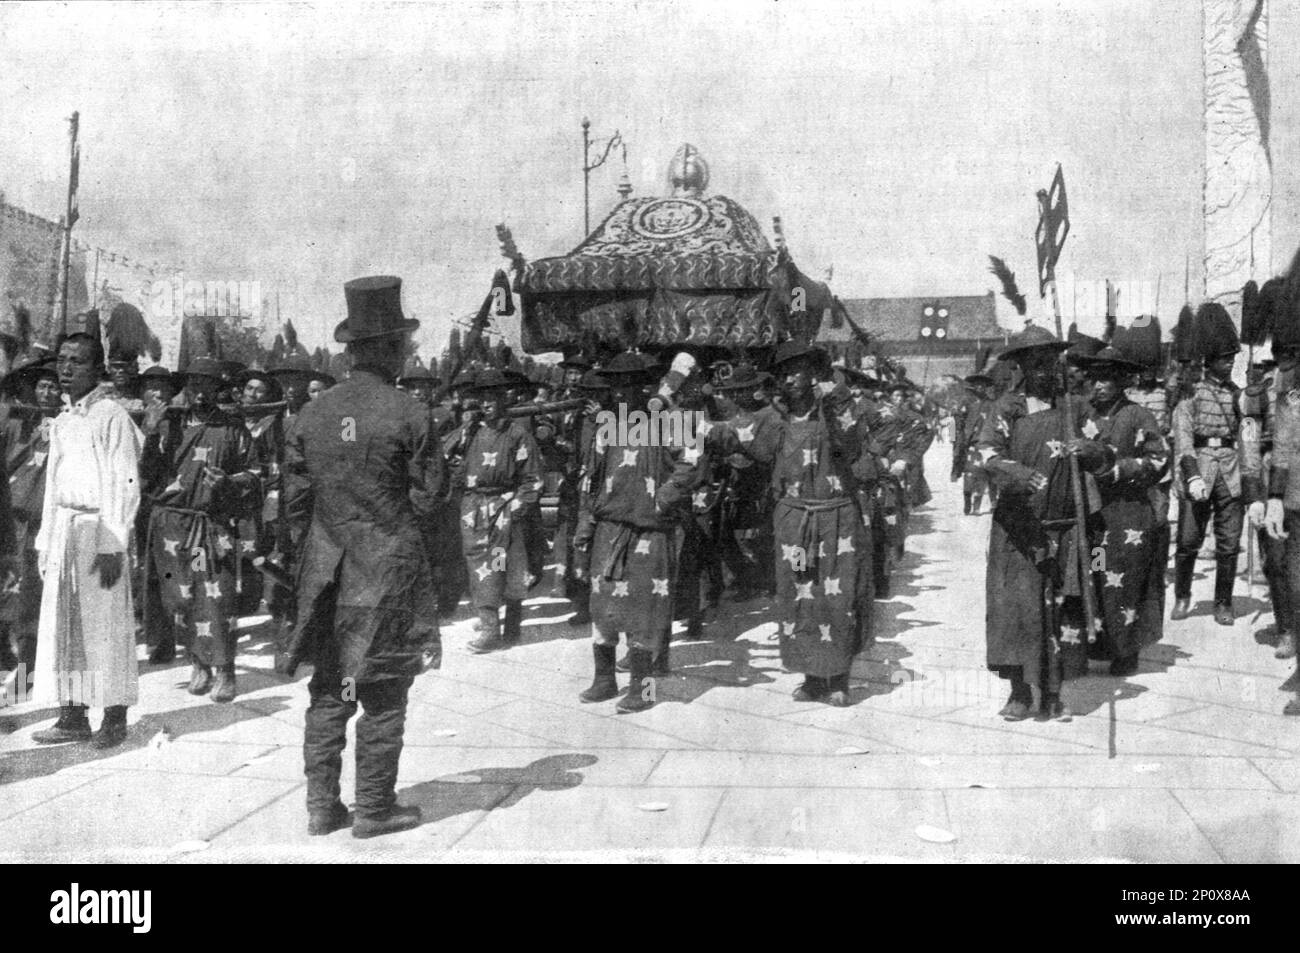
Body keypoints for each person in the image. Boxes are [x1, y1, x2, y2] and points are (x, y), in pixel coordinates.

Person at [280, 275, 445, 838]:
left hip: (325, 574)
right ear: (384, 349)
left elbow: (295, 503)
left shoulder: (310, 414)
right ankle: (374, 808)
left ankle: (322, 807)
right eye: (401, 345)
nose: (406, 355)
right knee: (383, 690)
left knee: (331, 690)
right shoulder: (410, 412)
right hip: (386, 575)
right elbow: (430, 499)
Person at [707, 343, 876, 706]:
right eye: (784, 373)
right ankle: (812, 676)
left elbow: (852, 440)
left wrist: (838, 395)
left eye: (798, 370)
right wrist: (688, 427)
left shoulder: (835, 411)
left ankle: (839, 679)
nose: (790, 378)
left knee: (838, 595)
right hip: (794, 525)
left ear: (813, 374)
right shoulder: (774, 418)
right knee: (802, 590)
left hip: (836, 521)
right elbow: (741, 440)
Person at [977, 326, 1113, 721]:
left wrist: (1090, 451)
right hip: (1018, 528)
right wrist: (1016, 474)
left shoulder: (1075, 407)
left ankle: (1054, 692)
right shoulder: (1007, 408)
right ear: (1020, 366)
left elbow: (1106, 452)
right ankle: (1019, 691)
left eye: (1048, 361)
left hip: (1065, 524)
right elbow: (986, 454)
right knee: (1017, 609)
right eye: (1034, 363)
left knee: (1060, 610)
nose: (1043, 370)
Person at [31, 316, 142, 747]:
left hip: (101, 527)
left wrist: (114, 540)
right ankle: (72, 715)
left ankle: (114, 717)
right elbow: (53, 487)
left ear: (97, 370)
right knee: (66, 624)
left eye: (77, 362)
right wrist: (46, 540)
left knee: (106, 625)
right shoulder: (64, 419)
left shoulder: (110, 414)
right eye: (62, 360)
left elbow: (126, 481)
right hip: (65, 526)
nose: (66, 368)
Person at [572, 351, 705, 712]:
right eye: (615, 385)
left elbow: (693, 462)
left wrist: (663, 500)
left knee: (645, 610)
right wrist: (586, 524)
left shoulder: (669, 420)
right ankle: (604, 679)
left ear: (644, 385)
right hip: (609, 528)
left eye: (629, 384)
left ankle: (642, 690)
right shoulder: (607, 425)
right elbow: (591, 479)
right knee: (603, 607)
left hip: (651, 531)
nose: (620, 392)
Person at [141, 357, 265, 702]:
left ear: (219, 389)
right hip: (172, 524)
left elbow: (256, 475)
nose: (199, 392)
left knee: (215, 595)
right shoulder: (169, 424)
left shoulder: (232, 428)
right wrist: (150, 432)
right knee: (180, 599)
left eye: (207, 385)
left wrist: (227, 483)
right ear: (186, 387)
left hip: (210, 525)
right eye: (194, 384)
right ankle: (199, 663)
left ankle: (225, 669)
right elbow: (143, 474)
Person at [1074, 348, 1170, 676]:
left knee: (1125, 578)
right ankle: (1099, 641)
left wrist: (1116, 468)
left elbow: (1159, 459)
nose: (1099, 385)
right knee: (1097, 571)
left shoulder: (1138, 416)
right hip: (1092, 513)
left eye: (1107, 379)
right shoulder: (1081, 415)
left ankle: (1125, 648)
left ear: (1121, 382)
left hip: (1128, 512)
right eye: (1094, 379)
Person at [1170, 303, 1261, 626]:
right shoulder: (1190, 394)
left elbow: (1248, 439)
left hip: (1231, 474)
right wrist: (1191, 476)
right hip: (1200, 470)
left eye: (1232, 359)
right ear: (1209, 360)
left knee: (1228, 542)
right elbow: (1182, 439)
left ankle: (1223, 602)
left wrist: (1253, 489)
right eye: (1224, 359)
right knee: (1188, 541)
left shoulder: (1239, 396)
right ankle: (1182, 596)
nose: (1229, 364)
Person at [457, 369, 542, 654]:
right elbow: (458, 468)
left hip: (504, 509)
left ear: (504, 398)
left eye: (492, 397)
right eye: (482, 398)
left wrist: (514, 510)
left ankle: (509, 626)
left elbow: (532, 480)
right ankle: (490, 625)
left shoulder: (518, 434)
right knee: (479, 568)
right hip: (474, 510)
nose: (486, 403)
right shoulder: (473, 433)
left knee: (507, 567)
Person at [0, 356, 58, 683]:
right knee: (6, 592)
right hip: (9, 523)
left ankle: (27, 671)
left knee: (29, 598)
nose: (47, 392)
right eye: (42, 386)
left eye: (54, 387)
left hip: (39, 526)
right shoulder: (14, 422)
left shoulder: (65, 424)